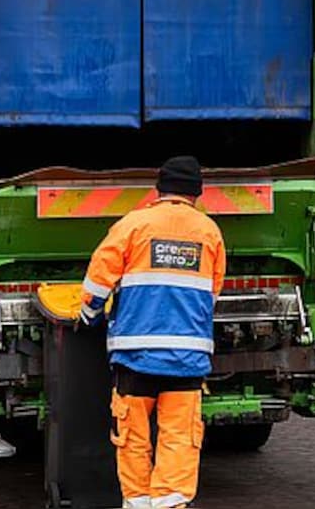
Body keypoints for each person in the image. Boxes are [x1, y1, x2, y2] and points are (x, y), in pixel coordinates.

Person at [80, 156, 226, 509]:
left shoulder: (133, 224)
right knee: (178, 441)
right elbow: (212, 292)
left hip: (135, 358)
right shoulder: (209, 232)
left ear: (158, 190)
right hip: (187, 361)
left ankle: (136, 503)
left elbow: (99, 279)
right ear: (197, 193)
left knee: (131, 438)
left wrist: (88, 313)